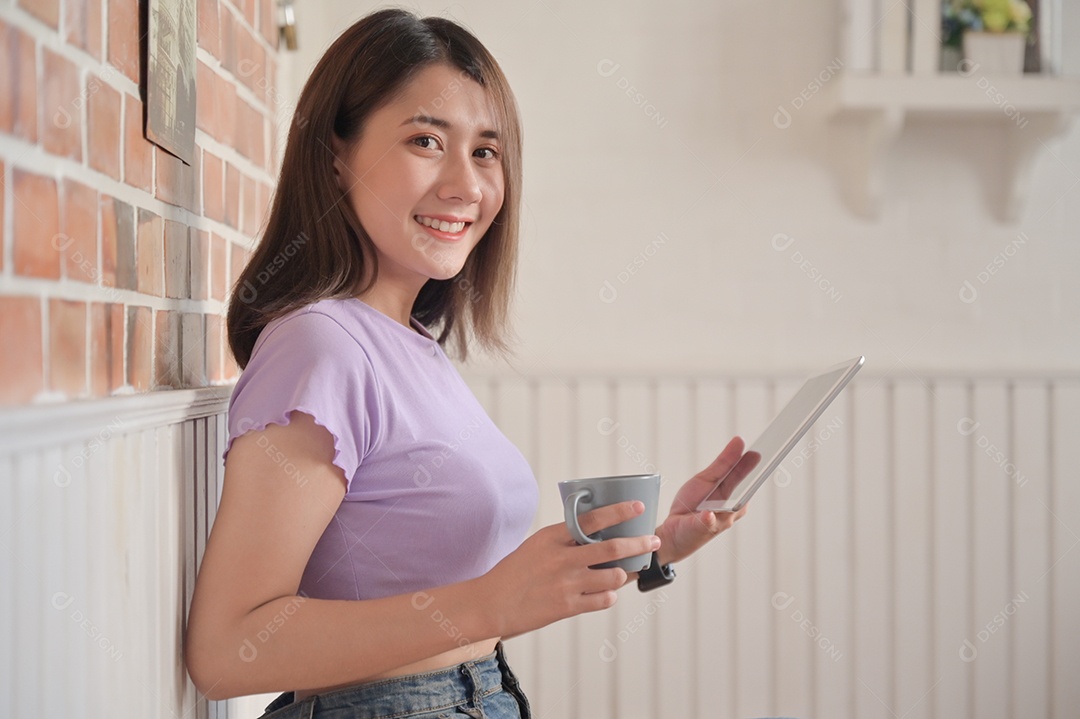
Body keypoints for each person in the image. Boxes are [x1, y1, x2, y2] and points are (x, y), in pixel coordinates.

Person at [184, 8, 750, 718]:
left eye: (486, 151)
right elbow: (228, 647)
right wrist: (488, 602)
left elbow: (433, 581)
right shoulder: (319, 344)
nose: (466, 184)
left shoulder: (412, 343)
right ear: (335, 153)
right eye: (426, 140)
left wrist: (652, 542)